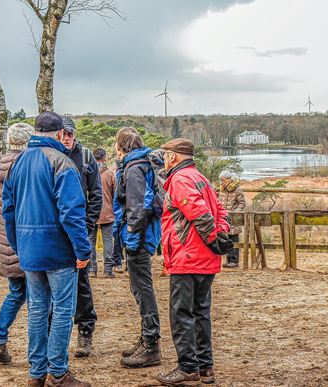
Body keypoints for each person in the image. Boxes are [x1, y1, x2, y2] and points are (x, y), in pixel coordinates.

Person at [2, 111, 92, 387]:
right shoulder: (61, 162)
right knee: (63, 310)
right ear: (60, 134)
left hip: (29, 249)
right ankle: (58, 372)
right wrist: (83, 250)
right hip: (58, 250)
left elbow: (8, 210)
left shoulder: (17, 163)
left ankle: (37, 372)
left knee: (37, 310)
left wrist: (18, 244)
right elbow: (72, 213)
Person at [156, 138, 231, 385]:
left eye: (165, 154)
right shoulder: (201, 178)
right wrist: (221, 234)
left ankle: (188, 367)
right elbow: (220, 210)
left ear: (174, 156)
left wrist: (213, 239)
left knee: (182, 313)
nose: (164, 159)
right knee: (201, 312)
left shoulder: (180, 180)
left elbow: (199, 213)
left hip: (187, 256)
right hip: (204, 258)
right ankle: (205, 366)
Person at [113, 127, 164, 369]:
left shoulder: (135, 168)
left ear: (120, 146)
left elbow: (138, 206)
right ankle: (146, 338)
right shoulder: (142, 164)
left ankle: (151, 344)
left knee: (142, 289)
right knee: (139, 288)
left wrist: (132, 239)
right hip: (144, 234)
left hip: (140, 237)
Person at [0, 123, 34, 365]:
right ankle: (39, 350)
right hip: (28, 237)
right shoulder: (29, 166)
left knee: (15, 293)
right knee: (38, 297)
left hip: (4, 237)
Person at [59, 116, 102, 358]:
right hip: (55, 231)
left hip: (79, 229)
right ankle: (56, 337)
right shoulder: (50, 155)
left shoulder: (86, 157)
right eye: (63, 134)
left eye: (70, 134)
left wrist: (87, 225)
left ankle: (85, 331)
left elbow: (96, 194)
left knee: (82, 282)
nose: (67, 138)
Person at [94, 147, 117, 277]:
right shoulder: (109, 174)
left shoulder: (88, 172)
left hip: (91, 211)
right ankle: (108, 270)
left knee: (90, 240)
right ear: (104, 158)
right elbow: (115, 193)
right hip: (107, 211)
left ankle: (92, 269)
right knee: (108, 239)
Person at [218, 170, 245, 268]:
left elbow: (242, 203)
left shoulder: (237, 189)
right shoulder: (222, 189)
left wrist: (235, 213)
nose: (221, 182)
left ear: (229, 179)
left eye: (223, 180)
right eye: (220, 180)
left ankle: (234, 260)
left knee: (234, 239)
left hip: (234, 218)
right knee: (226, 239)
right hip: (224, 218)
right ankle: (228, 260)